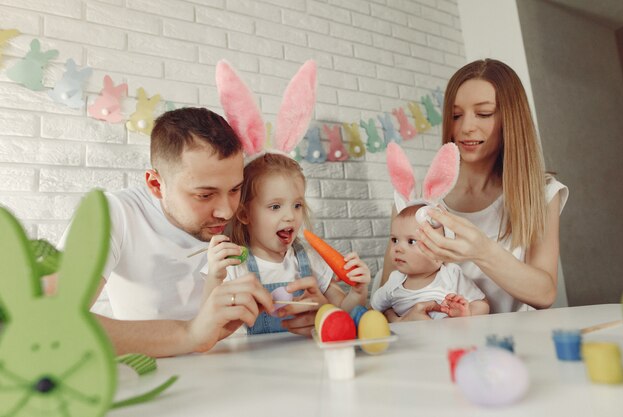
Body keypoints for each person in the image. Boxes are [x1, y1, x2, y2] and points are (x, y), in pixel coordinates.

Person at [57, 108, 319, 358]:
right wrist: (190, 334)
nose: (226, 212)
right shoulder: (113, 215)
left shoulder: (241, 214)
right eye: (204, 195)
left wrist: (312, 314)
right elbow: (48, 319)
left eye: (235, 189)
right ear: (156, 184)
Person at [381, 59, 568, 315]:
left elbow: (544, 293)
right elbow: (387, 293)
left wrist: (482, 251)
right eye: (456, 116)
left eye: (483, 113)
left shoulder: (541, 192)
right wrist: (403, 323)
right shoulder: (418, 202)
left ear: (509, 119)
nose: (466, 127)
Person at [203, 152, 371, 334]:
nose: (290, 216)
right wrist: (214, 276)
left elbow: (343, 314)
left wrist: (358, 292)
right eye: (275, 206)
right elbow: (206, 326)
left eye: (297, 205)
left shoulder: (308, 258)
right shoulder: (234, 265)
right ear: (245, 215)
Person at [372, 204, 488, 321]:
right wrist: (394, 319)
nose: (398, 248)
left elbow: (483, 306)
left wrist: (466, 313)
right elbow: (374, 312)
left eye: (411, 241)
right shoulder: (394, 281)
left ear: (442, 250)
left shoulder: (450, 275)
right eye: (395, 240)